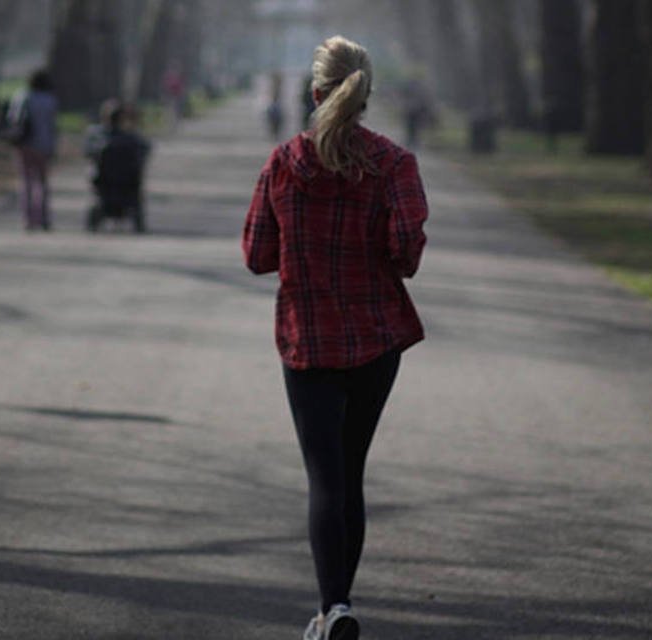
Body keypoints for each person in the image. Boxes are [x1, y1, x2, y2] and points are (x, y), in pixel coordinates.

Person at [242, 35, 428, 640]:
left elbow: (257, 255)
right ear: (364, 94)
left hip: (309, 339)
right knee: (351, 473)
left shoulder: (284, 163)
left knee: (324, 478)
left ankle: (334, 608)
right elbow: (406, 257)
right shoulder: (395, 164)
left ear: (315, 92)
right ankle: (334, 611)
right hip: (375, 340)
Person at [84, 99, 151, 232]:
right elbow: (145, 150)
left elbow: (89, 152)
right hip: (125, 183)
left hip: (107, 182)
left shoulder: (99, 137)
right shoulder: (131, 138)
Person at [7, 69, 58, 231]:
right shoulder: (50, 100)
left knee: (26, 182)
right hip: (43, 145)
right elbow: (52, 126)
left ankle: (28, 218)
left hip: (24, 145)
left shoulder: (21, 96)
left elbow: (12, 119)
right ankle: (43, 217)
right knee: (42, 183)